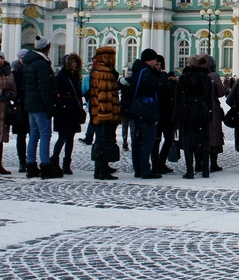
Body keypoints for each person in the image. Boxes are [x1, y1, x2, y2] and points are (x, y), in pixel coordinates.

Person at [22, 38, 59, 179]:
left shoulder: (28, 62)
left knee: (33, 135)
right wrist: (50, 106)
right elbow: (44, 88)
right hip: (40, 105)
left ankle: (30, 165)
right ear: (47, 48)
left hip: (30, 104)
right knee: (45, 136)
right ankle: (45, 166)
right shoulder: (42, 64)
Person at [125, 48, 163, 179]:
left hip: (138, 111)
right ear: (149, 60)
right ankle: (145, 170)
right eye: (154, 60)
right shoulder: (146, 72)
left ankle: (138, 169)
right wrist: (161, 76)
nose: (155, 63)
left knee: (138, 141)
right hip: (147, 110)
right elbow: (158, 86)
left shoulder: (137, 71)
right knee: (147, 141)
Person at [174, 55, 213, 179]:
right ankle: (205, 170)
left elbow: (178, 99)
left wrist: (176, 116)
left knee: (188, 140)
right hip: (202, 108)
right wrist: (209, 113)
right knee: (204, 140)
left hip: (187, 109)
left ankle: (190, 171)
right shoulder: (206, 78)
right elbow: (209, 98)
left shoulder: (184, 78)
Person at [88, 46, 121, 180]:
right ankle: (101, 169)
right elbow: (104, 97)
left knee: (102, 140)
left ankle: (102, 166)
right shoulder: (104, 73)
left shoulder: (98, 71)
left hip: (98, 112)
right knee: (103, 140)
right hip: (104, 114)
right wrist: (106, 115)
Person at [52, 54, 85, 175]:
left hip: (73, 109)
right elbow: (56, 93)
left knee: (70, 138)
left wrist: (80, 107)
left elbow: (79, 94)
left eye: (76, 62)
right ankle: (54, 160)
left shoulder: (76, 77)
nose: (74, 64)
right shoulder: (61, 77)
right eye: (72, 62)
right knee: (63, 137)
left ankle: (67, 163)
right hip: (64, 110)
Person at [150, 55, 177, 175]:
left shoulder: (163, 78)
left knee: (165, 140)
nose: (157, 66)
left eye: (159, 64)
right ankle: (157, 163)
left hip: (164, 113)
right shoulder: (157, 78)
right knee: (159, 140)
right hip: (162, 114)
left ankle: (160, 162)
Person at [10, 49, 30, 172]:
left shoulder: (31, 70)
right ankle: (22, 161)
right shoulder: (15, 73)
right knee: (21, 136)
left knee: (33, 135)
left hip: (31, 105)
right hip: (19, 107)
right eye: (22, 57)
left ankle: (31, 160)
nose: (23, 59)